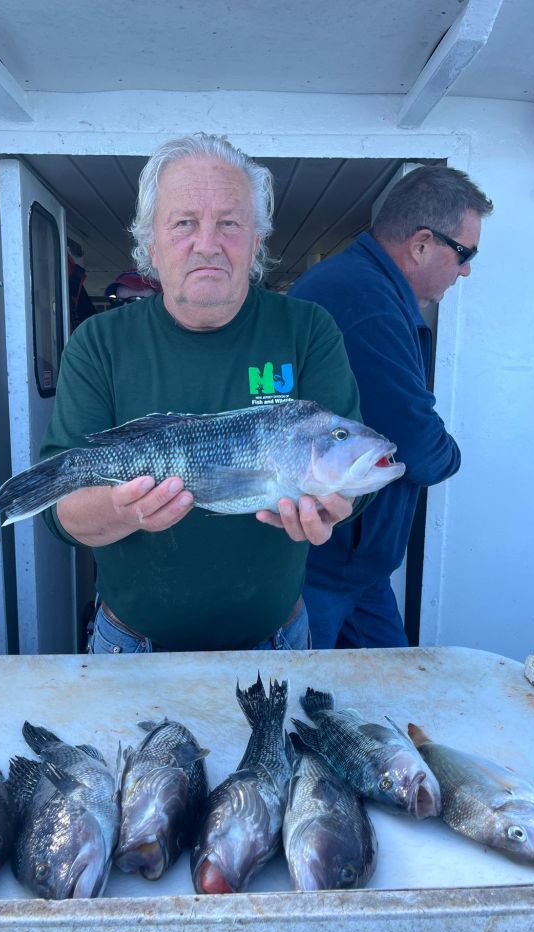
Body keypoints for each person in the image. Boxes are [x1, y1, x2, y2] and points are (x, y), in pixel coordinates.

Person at [40, 132, 363, 654]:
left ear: (257, 240)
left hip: (277, 641)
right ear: (151, 243)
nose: (208, 243)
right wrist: (125, 510)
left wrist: (340, 503)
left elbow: (351, 468)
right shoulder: (98, 343)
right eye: (185, 222)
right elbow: (63, 512)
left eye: (230, 223)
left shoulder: (309, 330)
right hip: (130, 646)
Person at [289, 165, 493, 649]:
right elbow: (420, 449)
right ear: (422, 244)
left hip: (356, 564)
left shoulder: (367, 288)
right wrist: (452, 453)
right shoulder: (365, 300)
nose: (466, 270)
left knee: (389, 697)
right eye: (464, 254)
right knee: (304, 708)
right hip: (323, 565)